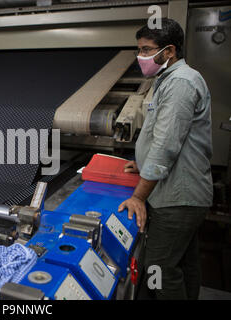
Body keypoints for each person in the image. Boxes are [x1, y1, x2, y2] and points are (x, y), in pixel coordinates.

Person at [117, 18, 213, 300]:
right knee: (183, 264)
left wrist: (137, 197)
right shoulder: (168, 79)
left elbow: (166, 146)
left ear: (169, 51)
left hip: (176, 201)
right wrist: (142, 161)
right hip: (185, 197)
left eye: (147, 50)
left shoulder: (181, 83)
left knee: (159, 270)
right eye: (140, 50)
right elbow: (165, 139)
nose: (141, 57)